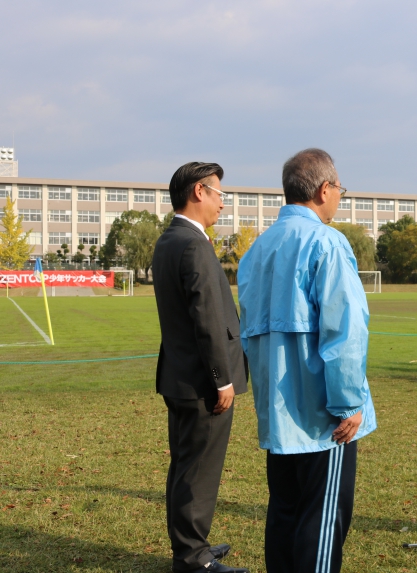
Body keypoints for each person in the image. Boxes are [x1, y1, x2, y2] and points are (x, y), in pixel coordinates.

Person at [238, 149, 377, 573]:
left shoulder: (258, 249)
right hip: (323, 418)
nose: (339, 197)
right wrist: (349, 403)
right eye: (340, 189)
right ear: (323, 189)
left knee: (284, 512)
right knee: (322, 519)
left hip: (277, 415)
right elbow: (345, 330)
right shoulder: (327, 242)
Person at [152, 162, 250, 573]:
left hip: (179, 376)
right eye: (220, 194)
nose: (223, 205)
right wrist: (221, 379)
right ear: (198, 192)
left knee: (184, 465)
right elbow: (207, 318)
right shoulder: (193, 244)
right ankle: (193, 558)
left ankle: (192, 546)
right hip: (201, 383)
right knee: (199, 471)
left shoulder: (168, 241)